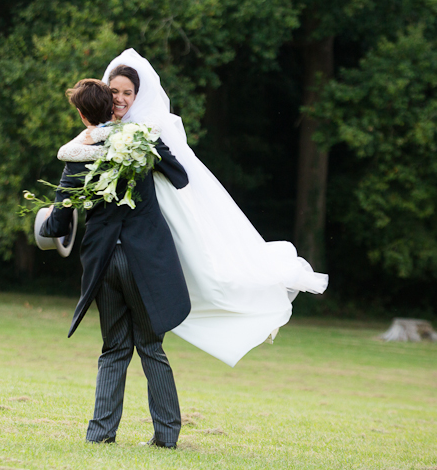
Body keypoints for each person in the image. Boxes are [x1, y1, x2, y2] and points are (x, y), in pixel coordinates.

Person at [58, 49, 329, 367]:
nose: (119, 98)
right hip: (116, 240)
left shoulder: (147, 131)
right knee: (126, 343)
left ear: (138, 95)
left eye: (127, 93)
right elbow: (69, 153)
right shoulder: (98, 136)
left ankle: (249, 310)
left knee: (200, 284)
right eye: (114, 91)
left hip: (153, 223)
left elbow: (180, 176)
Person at [39, 78, 191, 448]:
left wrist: (42, 223)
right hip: (144, 261)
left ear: (80, 113)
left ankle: (101, 433)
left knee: (114, 349)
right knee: (151, 347)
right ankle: (166, 437)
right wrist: (153, 150)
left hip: (104, 262)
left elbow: (57, 223)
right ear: (114, 105)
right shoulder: (139, 141)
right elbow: (181, 176)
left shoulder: (77, 154)